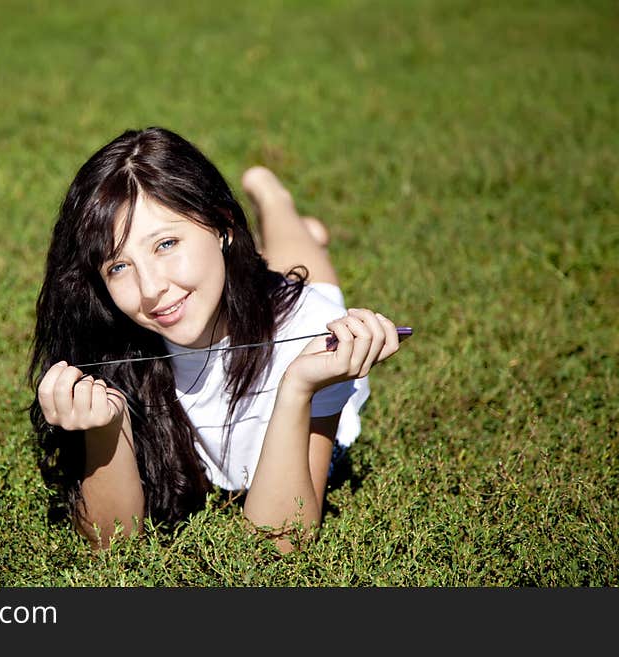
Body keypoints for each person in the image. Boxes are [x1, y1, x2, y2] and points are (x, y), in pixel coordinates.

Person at [28, 127, 403, 552]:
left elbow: (280, 545)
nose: (150, 289)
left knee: (309, 278)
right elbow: (109, 544)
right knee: (271, 267)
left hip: (278, 310)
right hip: (236, 287)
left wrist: (299, 387)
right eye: (118, 266)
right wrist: (106, 430)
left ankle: (273, 198)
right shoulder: (113, 337)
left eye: (165, 244)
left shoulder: (314, 332)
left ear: (222, 225)